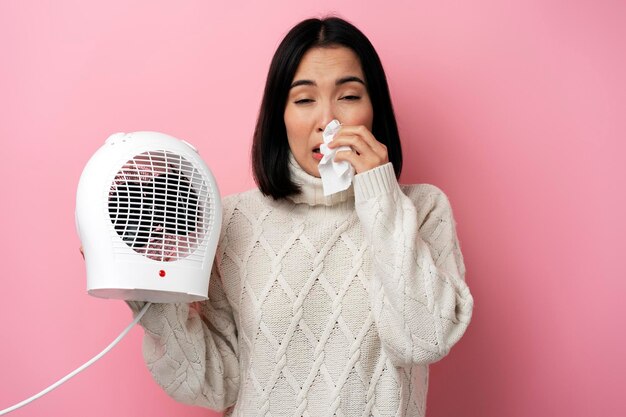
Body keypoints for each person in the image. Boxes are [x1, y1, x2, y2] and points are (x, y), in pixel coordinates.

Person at [127, 16, 473, 417]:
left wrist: (380, 194)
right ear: (281, 116)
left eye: (349, 96)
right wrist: (147, 286)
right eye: (304, 100)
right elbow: (216, 384)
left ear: (374, 109)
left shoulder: (424, 209)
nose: (327, 120)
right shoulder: (235, 220)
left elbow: (423, 339)